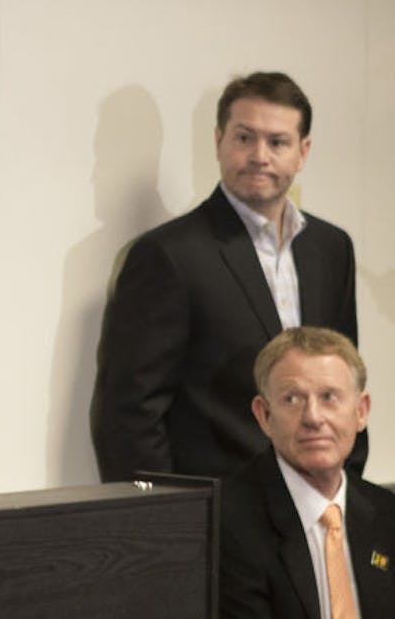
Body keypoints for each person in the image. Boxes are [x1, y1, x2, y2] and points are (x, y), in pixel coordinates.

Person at [90, 71, 365, 482]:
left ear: (303, 151)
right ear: (219, 140)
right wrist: (169, 525)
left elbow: (346, 380)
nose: (259, 155)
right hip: (220, 516)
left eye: (277, 142)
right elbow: (130, 413)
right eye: (244, 137)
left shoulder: (331, 248)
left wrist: (348, 489)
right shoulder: (168, 255)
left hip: (316, 507)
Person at [220, 327, 395, 617]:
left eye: (329, 397)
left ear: (361, 411)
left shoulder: (387, 513)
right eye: (293, 399)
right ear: (264, 415)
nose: (313, 417)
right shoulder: (228, 525)